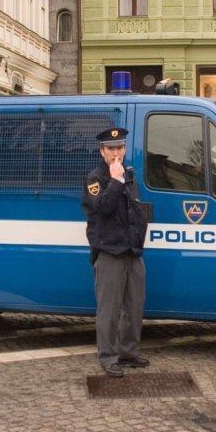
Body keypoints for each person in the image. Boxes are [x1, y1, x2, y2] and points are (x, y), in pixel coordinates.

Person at [81, 127, 149, 378]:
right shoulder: (95, 179)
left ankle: (129, 351)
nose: (116, 152)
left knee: (134, 306)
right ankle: (108, 357)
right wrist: (116, 181)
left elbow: (134, 210)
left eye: (120, 147)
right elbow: (103, 209)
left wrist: (139, 239)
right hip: (109, 252)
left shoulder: (128, 174)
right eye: (111, 149)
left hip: (132, 251)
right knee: (108, 310)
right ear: (102, 151)